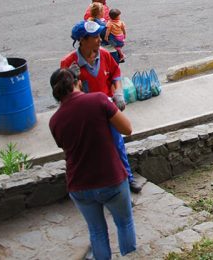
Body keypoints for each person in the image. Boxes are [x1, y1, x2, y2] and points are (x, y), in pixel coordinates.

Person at [48, 68, 137, 259]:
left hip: (79, 186)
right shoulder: (98, 99)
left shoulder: (54, 121)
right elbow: (127, 128)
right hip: (111, 178)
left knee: (97, 231)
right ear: (78, 82)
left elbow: (66, 147)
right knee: (124, 223)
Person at [61, 20, 144, 193]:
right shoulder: (69, 63)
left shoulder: (104, 55)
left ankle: (127, 179)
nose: (99, 40)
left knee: (117, 144)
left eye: (99, 36)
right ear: (82, 40)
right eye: (95, 37)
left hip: (107, 109)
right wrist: (71, 78)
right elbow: (63, 95)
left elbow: (115, 74)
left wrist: (118, 93)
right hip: (85, 115)